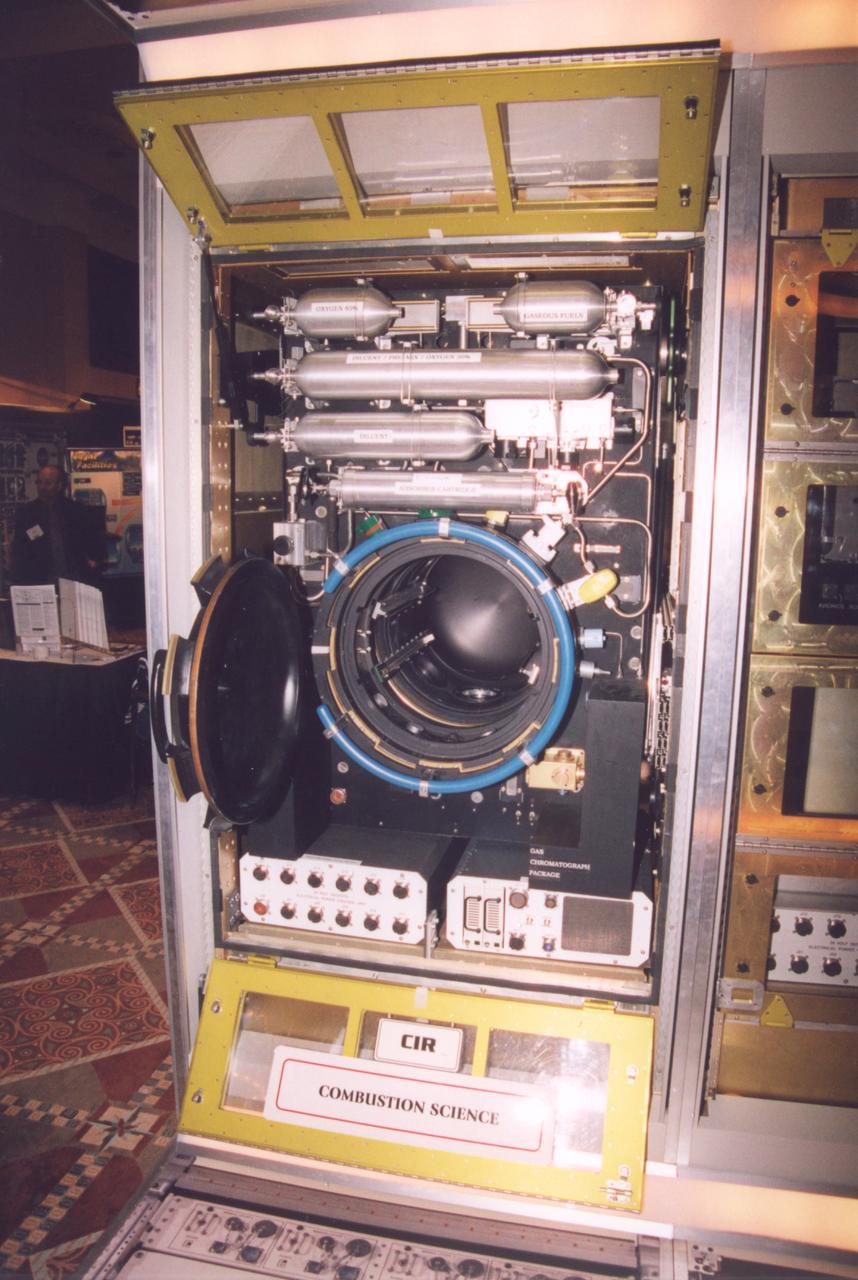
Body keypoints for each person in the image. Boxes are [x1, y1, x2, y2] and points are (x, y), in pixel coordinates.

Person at [10, 465, 103, 586]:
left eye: (48, 483)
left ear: (59, 486)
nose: (42, 487)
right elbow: (19, 550)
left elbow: (93, 539)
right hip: (40, 580)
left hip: (74, 578)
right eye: (39, 482)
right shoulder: (26, 513)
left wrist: (94, 559)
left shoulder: (76, 510)